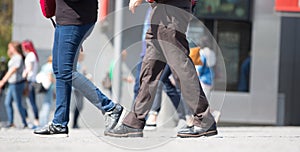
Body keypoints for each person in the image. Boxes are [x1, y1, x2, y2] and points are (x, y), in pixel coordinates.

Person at [106, 0, 217, 138]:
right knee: (150, 68)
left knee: (180, 65)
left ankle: (203, 119)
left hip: (170, 11)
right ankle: (134, 121)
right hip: (161, 11)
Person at [34, 0, 123, 137]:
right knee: (59, 70)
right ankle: (59, 123)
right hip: (64, 20)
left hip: (75, 20)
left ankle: (110, 107)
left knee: (66, 71)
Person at [0, 41, 27, 128]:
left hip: (17, 83)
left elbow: (12, 70)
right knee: (7, 102)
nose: (8, 49)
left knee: (18, 103)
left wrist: (3, 80)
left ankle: (24, 122)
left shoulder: (18, 58)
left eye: (9, 47)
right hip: (12, 83)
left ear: (14, 48)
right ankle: (11, 122)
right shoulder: (14, 57)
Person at [22, 40, 40, 127]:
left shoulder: (30, 55)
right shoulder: (34, 55)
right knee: (32, 101)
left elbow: (29, 68)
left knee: (30, 101)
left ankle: (33, 120)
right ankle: (34, 120)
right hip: (32, 80)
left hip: (29, 81)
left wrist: (24, 74)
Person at [37, 56, 55, 127]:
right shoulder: (51, 67)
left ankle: (42, 121)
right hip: (49, 88)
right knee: (47, 105)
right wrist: (56, 81)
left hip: (43, 87)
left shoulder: (44, 66)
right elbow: (50, 77)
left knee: (44, 104)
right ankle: (44, 122)